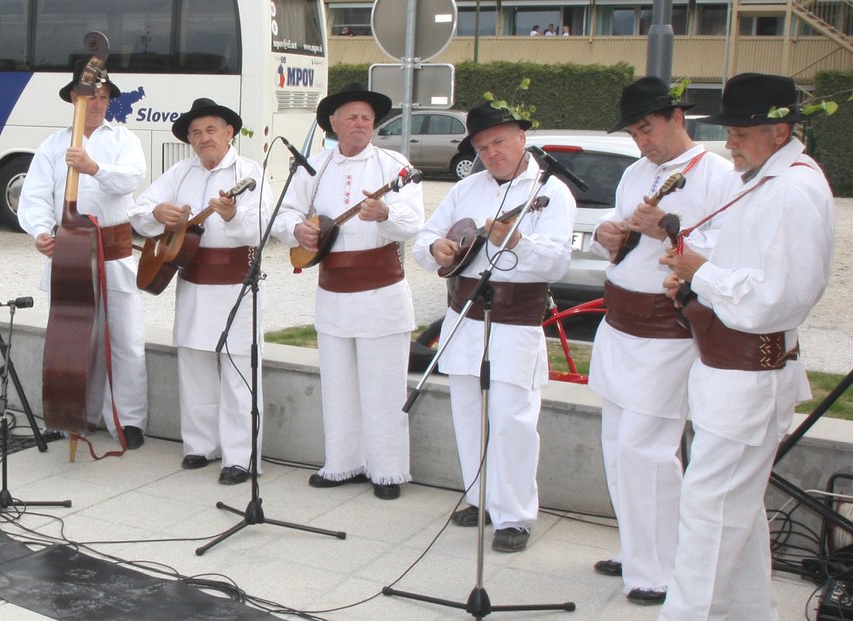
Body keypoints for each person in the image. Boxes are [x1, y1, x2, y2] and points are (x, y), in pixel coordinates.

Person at [658, 72, 835, 619]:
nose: (728, 142)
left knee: (709, 518)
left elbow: (775, 299)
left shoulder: (792, 190)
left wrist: (701, 274)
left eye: (739, 132)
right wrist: (692, 270)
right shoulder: (762, 179)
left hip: (749, 376)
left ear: (778, 132)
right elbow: (735, 251)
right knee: (735, 514)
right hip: (730, 375)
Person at [587, 77, 732, 605]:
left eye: (647, 129)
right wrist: (608, 233)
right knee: (616, 445)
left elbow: (726, 248)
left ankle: (662, 569)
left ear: (677, 118)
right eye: (633, 133)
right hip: (619, 321)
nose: (641, 142)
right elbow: (619, 231)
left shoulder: (716, 174)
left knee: (646, 451)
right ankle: (636, 548)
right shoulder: (634, 172)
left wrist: (669, 229)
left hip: (665, 329)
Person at [413, 101, 576, 552]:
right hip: (465, 314)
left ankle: (516, 516)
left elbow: (559, 261)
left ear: (521, 137)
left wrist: (518, 242)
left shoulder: (551, 190)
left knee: (512, 419)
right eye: (483, 146)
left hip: (515, 318)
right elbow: (423, 242)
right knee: (468, 413)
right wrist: (439, 250)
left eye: (499, 141)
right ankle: (480, 496)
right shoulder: (466, 189)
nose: (492, 153)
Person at [271, 84, 424, 501]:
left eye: (367, 118)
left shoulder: (396, 165)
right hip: (333, 290)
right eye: (352, 117)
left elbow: (414, 220)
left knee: (384, 386)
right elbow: (284, 213)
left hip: (381, 291)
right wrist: (295, 228)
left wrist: (386, 212)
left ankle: (388, 471)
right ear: (333, 123)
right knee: (337, 384)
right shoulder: (313, 166)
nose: (360, 124)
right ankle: (342, 463)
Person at [129, 98, 272, 485]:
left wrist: (232, 215)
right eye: (196, 132)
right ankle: (199, 445)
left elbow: (264, 228)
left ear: (229, 133)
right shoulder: (181, 170)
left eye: (211, 130)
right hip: (192, 281)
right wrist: (159, 213)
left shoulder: (249, 171)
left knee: (239, 370)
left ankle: (240, 458)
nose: (204, 138)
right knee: (193, 364)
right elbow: (139, 209)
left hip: (235, 284)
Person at [18, 61, 148, 450]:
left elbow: (133, 177)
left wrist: (93, 168)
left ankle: (127, 420)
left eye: (104, 98)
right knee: (69, 337)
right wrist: (41, 232)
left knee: (125, 338)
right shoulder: (54, 145)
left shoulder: (124, 140)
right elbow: (35, 196)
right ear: (76, 98)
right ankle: (67, 414)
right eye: (91, 97)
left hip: (113, 250)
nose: (98, 104)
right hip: (71, 252)